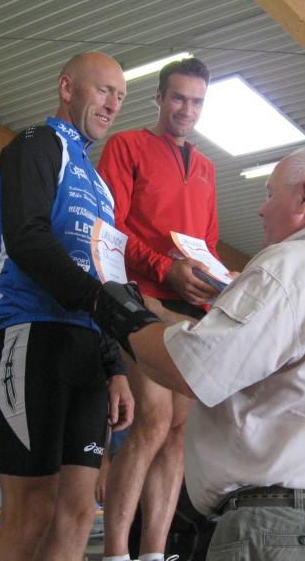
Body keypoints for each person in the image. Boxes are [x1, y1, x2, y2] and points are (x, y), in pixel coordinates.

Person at [100, 143, 305, 560]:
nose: (261, 209)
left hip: (292, 532)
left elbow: (189, 369)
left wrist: (122, 315)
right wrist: (160, 312)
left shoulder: (289, 265)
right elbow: (250, 353)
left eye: (269, 193)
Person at [0, 51, 135, 561]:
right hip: (32, 335)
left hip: (88, 353)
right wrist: (99, 300)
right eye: (103, 90)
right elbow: (27, 238)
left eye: (120, 97)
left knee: (77, 512)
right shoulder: (35, 145)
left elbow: (106, 275)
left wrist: (116, 369)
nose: (112, 105)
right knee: (32, 510)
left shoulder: (103, 188)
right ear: (67, 88)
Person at [96, 57, 220, 561]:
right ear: (160, 97)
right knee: (154, 419)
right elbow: (111, 228)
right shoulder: (126, 146)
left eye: (197, 102)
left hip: (190, 305)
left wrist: (214, 284)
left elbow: (207, 244)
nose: (187, 110)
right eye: (178, 98)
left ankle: (153, 552)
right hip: (139, 295)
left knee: (178, 432)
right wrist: (162, 269)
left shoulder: (207, 168)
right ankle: (116, 552)